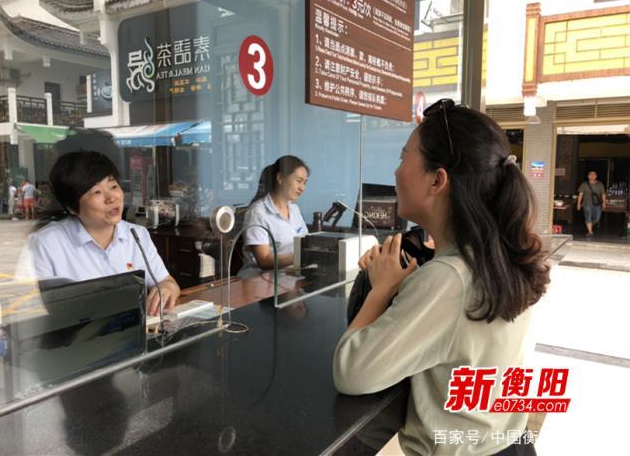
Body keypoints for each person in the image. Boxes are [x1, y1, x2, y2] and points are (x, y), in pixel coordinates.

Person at [333, 99, 550, 456]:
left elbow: (352, 371)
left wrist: (382, 289)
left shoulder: (448, 279)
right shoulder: (495, 256)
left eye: (404, 158)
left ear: (437, 180)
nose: (396, 172)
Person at [27, 151, 180, 315]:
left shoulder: (136, 234)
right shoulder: (46, 243)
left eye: (113, 186)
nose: (111, 198)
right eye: (96, 192)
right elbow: (34, 311)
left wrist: (167, 288)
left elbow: (166, 281)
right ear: (71, 207)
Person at [240, 156, 310, 275]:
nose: (302, 188)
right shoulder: (258, 213)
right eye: (298, 181)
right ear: (280, 178)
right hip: (260, 280)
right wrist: (302, 257)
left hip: (290, 276)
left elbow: (305, 243)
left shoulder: (295, 209)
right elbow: (264, 260)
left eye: (305, 182)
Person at [577, 171, 606, 237]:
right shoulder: (584, 184)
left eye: (594, 175)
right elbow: (580, 194)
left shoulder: (600, 184)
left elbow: (603, 194)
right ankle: (590, 231)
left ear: (596, 176)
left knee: (597, 218)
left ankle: (589, 225)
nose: (592, 176)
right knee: (588, 217)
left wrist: (604, 202)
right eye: (590, 175)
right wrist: (578, 204)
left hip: (597, 204)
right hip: (586, 203)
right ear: (588, 176)